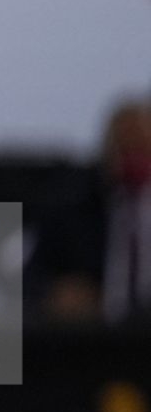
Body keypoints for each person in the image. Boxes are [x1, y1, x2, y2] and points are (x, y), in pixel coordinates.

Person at [34, 98, 151, 322]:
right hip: (94, 339)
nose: (134, 158)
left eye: (142, 147)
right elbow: (31, 279)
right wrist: (55, 293)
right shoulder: (72, 210)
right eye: (125, 148)